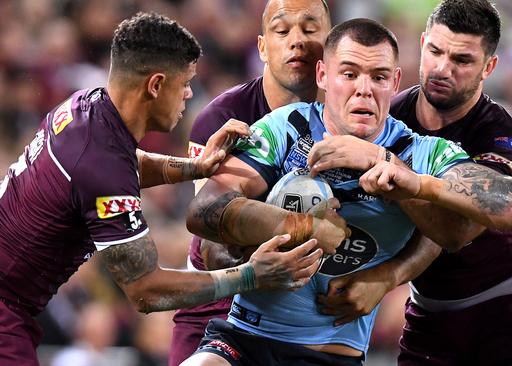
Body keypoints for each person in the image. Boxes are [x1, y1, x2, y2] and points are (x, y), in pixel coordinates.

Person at [182, 18, 512, 366]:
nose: (364, 89)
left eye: (379, 77)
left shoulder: (424, 153)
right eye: (349, 74)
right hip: (243, 340)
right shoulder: (286, 128)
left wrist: (407, 179)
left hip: (334, 355)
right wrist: (297, 230)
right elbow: (204, 211)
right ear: (323, 76)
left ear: (395, 82)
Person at [0, 12, 323, 366]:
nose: (188, 94)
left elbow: (127, 163)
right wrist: (251, 275)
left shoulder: (86, 106)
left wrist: (196, 168)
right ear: (155, 85)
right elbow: (145, 291)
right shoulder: (99, 163)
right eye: (184, 83)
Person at [315, 1, 512, 365]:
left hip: (509, 301)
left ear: (488, 67)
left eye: (462, 61)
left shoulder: (498, 138)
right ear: (421, 44)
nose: (442, 69)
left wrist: (388, 277)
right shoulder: (389, 115)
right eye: (434, 51)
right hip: (430, 309)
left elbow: (454, 232)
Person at [169, 0, 333, 364]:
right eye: (281, 30)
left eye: (310, 29)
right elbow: (212, 241)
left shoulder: (348, 118)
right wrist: (256, 267)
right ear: (261, 47)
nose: (297, 41)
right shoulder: (221, 118)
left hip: (307, 318)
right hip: (216, 303)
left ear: (330, 43)